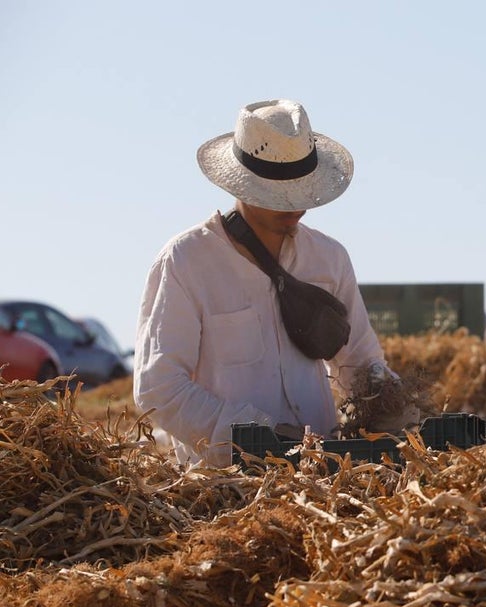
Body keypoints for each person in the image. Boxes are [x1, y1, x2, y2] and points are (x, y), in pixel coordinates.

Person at [134, 98, 409, 467]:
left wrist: (399, 408)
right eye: (278, 193)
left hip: (324, 475)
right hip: (225, 485)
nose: (293, 204)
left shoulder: (329, 258)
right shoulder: (187, 261)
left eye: (299, 189)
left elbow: (361, 362)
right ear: (242, 184)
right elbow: (159, 389)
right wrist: (258, 438)